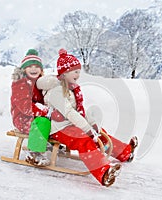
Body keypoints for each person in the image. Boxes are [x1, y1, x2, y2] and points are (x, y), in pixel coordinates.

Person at [37, 49, 138, 187]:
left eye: (79, 71)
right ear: (65, 73)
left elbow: (80, 111)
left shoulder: (72, 89)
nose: (78, 75)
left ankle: (125, 153)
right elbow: (69, 113)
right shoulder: (56, 91)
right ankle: (103, 173)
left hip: (71, 124)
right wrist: (87, 129)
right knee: (83, 139)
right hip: (59, 128)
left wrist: (93, 125)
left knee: (100, 133)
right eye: (75, 71)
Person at [10, 48, 52, 166]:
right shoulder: (20, 84)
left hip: (36, 116)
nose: (34, 69)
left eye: (37, 66)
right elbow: (25, 106)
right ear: (24, 69)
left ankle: (51, 143)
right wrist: (45, 111)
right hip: (22, 118)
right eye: (30, 66)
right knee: (43, 123)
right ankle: (34, 152)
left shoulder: (40, 83)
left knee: (56, 121)